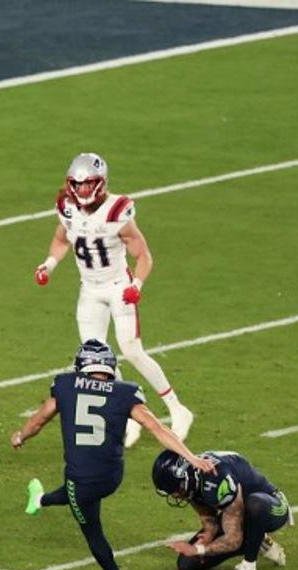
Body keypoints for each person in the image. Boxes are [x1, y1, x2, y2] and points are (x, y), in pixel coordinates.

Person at [10, 339, 213, 570]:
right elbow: (156, 428)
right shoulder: (125, 393)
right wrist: (191, 457)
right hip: (112, 477)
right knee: (77, 494)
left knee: (90, 525)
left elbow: (39, 420)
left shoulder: (65, 386)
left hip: (81, 478)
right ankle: (38, 500)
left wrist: (20, 436)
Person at [33, 152, 194, 447]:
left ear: (101, 183)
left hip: (119, 286)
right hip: (89, 290)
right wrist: (49, 265)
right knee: (99, 359)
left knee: (132, 351)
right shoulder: (67, 209)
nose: (82, 190)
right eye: (77, 184)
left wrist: (138, 284)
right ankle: (130, 420)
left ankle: (177, 409)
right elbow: (61, 239)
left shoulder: (116, 210)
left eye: (88, 184)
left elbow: (143, 254)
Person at [152, 449, 292, 570]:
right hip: (238, 511)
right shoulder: (194, 477)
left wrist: (198, 550)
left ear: (186, 478)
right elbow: (208, 517)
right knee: (187, 563)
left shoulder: (217, 478)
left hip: (273, 507)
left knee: (255, 505)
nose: (175, 496)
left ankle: (249, 566)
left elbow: (233, 539)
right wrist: (208, 534)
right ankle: (258, 541)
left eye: (177, 490)